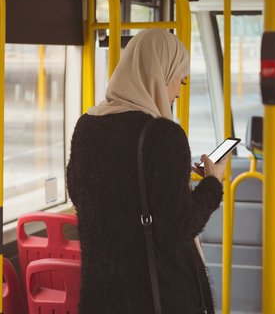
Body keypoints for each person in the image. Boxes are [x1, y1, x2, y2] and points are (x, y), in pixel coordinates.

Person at [66, 28, 227, 314]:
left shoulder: (86, 126)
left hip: (100, 292)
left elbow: (81, 196)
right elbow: (177, 227)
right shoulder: (163, 135)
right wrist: (213, 183)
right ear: (159, 74)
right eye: (179, 77)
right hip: (157, 296)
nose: (180, 88)